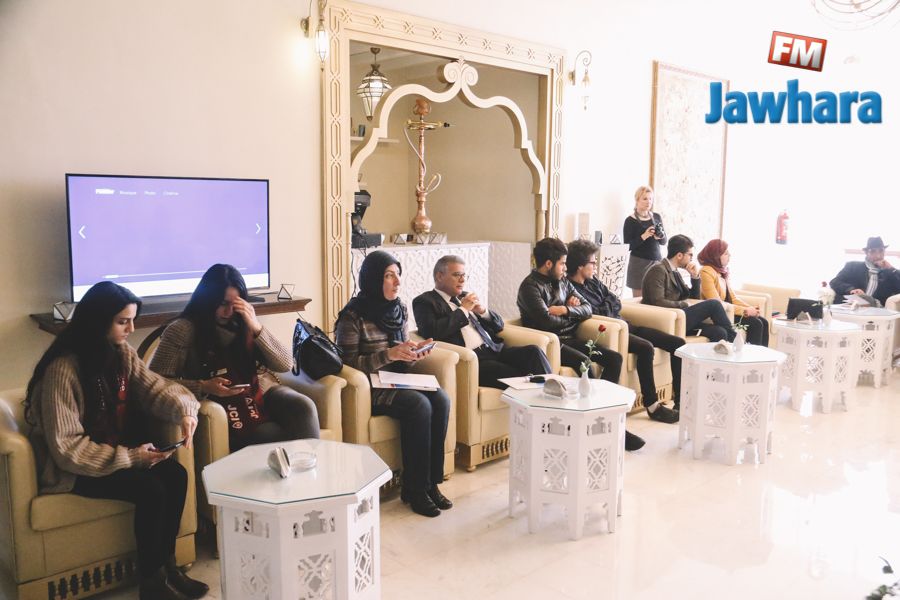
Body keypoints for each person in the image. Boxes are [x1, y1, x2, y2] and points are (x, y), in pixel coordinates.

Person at [24, 282, 208, 600]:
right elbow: (67, 450)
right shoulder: (63, 369)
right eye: (123, 321)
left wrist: (185, 411)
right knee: (150, 489)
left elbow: (156, 388)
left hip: (114, 454)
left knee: (176, 475)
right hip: (76, 470)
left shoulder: (122, 353)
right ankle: (152, 584)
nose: (131, 329)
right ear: (98, 321)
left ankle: (168, 568)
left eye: (132, 320)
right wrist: (132, 458)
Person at [150, 264, 320, 451]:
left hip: (257, 393)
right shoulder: (182, 329)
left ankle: (311, 467)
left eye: (235, 304)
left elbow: (286, 364)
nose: (229, 312)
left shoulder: (244, 322)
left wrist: (256, 327)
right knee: (270, 433)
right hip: (218, 403)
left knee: (303, 406)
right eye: (223, 304)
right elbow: (156, 383)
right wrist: (203, 386)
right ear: (207, 300)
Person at [335, 250, 452, 518]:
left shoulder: (399, 309)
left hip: (397, 379)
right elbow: (347, 366)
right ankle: (414, 489)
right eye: (389, 276)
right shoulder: (352, 316)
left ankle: (431, 483)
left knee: (441, 398)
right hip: (371, 387)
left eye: (398, 275)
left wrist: (413, 354)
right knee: (419, 405)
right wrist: (387, 355)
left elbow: (401, 356)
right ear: (373, 279)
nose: (397, 282)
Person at [567, 239, 683, 427]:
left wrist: (606, 306)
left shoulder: (593, 282)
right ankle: (652, 405)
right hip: (612, 331)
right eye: (592, 262)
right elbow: (594, 313)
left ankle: (680, 402)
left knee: (677, 343)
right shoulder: (570, 290)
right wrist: (607, 306)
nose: (595, 266)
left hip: (625, 324)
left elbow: (615, 300)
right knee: (646, 348)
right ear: (580, 266)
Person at [413, 255, 551, 389]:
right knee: (517, 375)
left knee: (534, 352)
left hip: (494, 349)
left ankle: (554, 391)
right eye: (457, 275)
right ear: (439, 276)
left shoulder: (464, 296)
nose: (462, 280)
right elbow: (431, 332)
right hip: (475, 360)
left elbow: (499, 326)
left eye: (464, 275)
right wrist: (463, 310)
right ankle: (543, 396)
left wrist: (483, 311)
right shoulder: (425, 301)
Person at [642, 234, 736, 343]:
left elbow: (693, 297)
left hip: (680, 317)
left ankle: (726, 349)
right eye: (690, 255)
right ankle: (735, 341)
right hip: (667, 318)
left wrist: (694, 277)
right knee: (714, 304)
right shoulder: (658, 270)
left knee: (720, 332)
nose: (691, 258)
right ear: (679, 255)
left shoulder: (675, 271)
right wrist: (684, 304)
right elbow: (657, 301)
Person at [698, 239, 769, 346]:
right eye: (726, 253)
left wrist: (751, 309)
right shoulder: (706, 272)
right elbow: (717, 304)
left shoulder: (721, 271)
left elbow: (733, 298)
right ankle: (751, 355)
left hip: (729, 311)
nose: (729, 255)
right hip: (718, 315)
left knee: (764, 321)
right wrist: (745, 311)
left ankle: (762, 355)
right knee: (755, 323)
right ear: (716, 255)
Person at [623, 185, 668, 298]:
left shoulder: (656, 217)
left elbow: (664, 242)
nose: (649, 202)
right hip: (639, 264)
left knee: (657, 299)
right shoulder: (630, 221)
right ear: (637, 200)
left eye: (650, 199)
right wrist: (644, 236)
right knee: (639, 301)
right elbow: (627, 246)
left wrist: (659, 237)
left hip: (657, 263)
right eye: (645, 199)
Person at [830, 236, 900, 307]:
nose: (878, 256)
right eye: (873, 251)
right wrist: (851, 290)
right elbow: (834, 282)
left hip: (875, 309)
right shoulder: (852, 266)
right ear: (866, 253)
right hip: (851, 306)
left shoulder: (890, 273)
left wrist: (892, 269)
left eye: (881, 251)